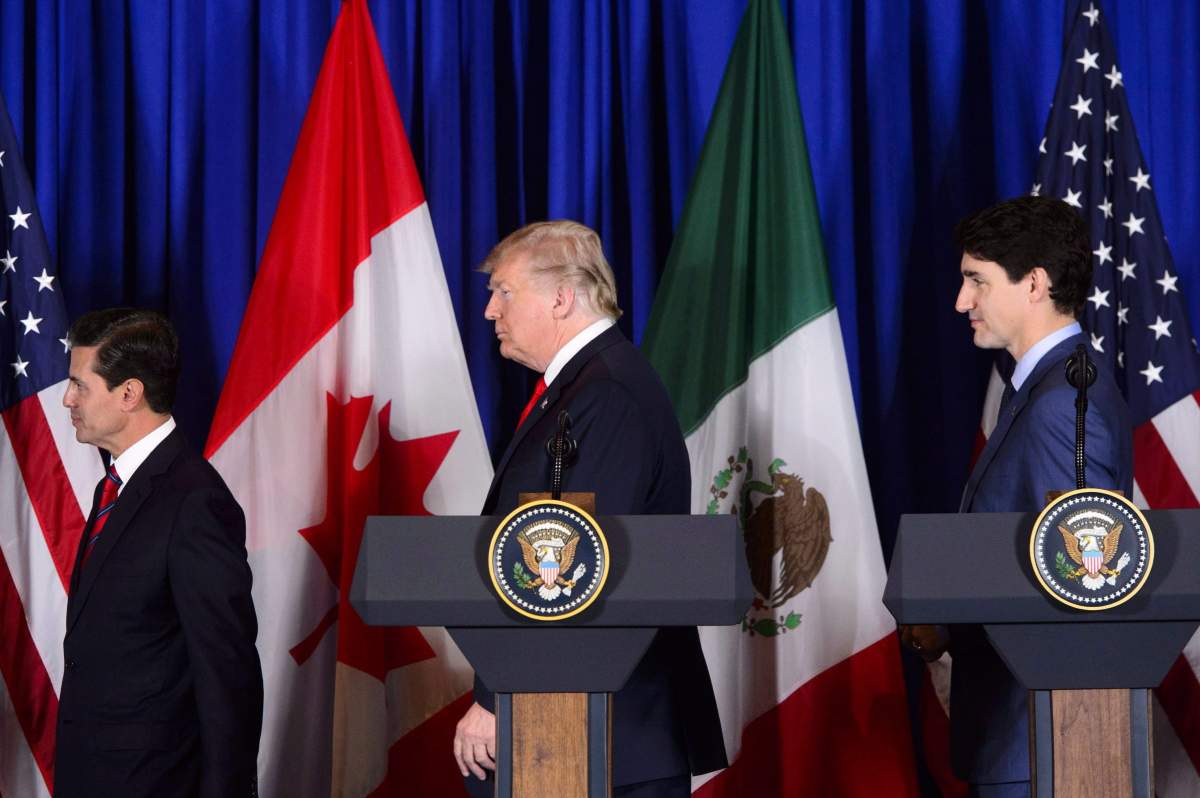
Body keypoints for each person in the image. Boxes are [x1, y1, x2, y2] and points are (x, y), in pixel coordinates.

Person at [453, 221, 727, 797]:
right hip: (589, 732)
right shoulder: (588, 386)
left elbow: (569, 572)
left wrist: (499, 695)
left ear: (560, 297)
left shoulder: (606, 394)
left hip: (602, 735)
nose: (489, 312)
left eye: (503, 291)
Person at [904, 196, 1132, 798]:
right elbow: (1033, 554)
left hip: (1044, 744)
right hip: (1025, 738)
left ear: (1034, 284)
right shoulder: (1050, 387)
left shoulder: (1062, 403)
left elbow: (1084, 583)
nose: (961, 301)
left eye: (976, 280)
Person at [55, 308, 263, 798]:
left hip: (156, 783)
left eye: (80, 385)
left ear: (129, 394)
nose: (67, 399)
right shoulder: (117, 488)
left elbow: (226, 672)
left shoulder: (195, 501)